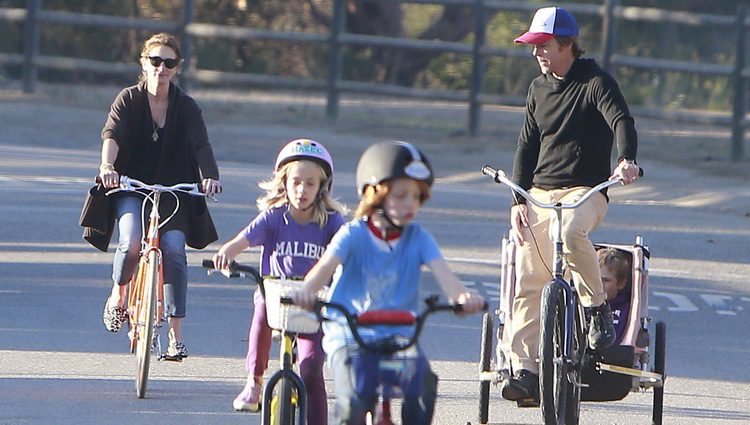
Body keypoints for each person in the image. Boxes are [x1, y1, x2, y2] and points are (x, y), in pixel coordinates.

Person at [501, 6, 642, 402]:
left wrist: (626, 159)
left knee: (570, 229)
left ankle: (596, 309)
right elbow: (526, 146)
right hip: (541, 194)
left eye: (543, 45)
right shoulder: (537, 89)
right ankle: (526, 371)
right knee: (529, 281)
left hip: (588, 191)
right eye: (534, 46)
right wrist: (518, 200)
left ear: (567, 44)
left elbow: (621, 121)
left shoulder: (595, 81)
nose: (537, 53)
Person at [292, 141, 486, 425]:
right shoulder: (353, 234)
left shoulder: (418, 238)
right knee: (353, 403)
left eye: (416, 197)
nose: (410, 204)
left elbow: (447, 277)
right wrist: (307, 292)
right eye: (401, 195)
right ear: (375, 194)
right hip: (350, 335)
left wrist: (463, 298)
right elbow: (323, 269)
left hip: (399, 336)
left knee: (423, 385)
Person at [85, 32, 221, 360]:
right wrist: (107, 165)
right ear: (144, 63)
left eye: (169, 63)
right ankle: (119, 295)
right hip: (131, 185)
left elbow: (200, 144)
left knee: (174, 250)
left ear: (177, 68)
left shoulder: (186, 107)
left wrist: (210, 176)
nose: (161, 68)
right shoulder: (128, 100)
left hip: (174, 191)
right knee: (131, 241)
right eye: (155, 61)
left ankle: (175, 337)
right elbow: (112, 134)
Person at [211, 139, 346, 424]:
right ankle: (255, 380)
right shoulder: (274, 218)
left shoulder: (331, 223)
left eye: (310, 184)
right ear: (284, 182)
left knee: (310, 369)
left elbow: (347, 252)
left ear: (322, 186)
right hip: (276, 296)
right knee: (261, 307)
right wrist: (227, 253)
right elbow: (243, 239)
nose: (302, 190)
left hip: (314, 302)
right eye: (296, 182)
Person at [598, 247, 632, 346]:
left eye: (606, 280)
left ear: (621, 284)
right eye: (597, 279)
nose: (599, 284)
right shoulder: (581, 305)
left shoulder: (625, 309)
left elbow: (615, 341)